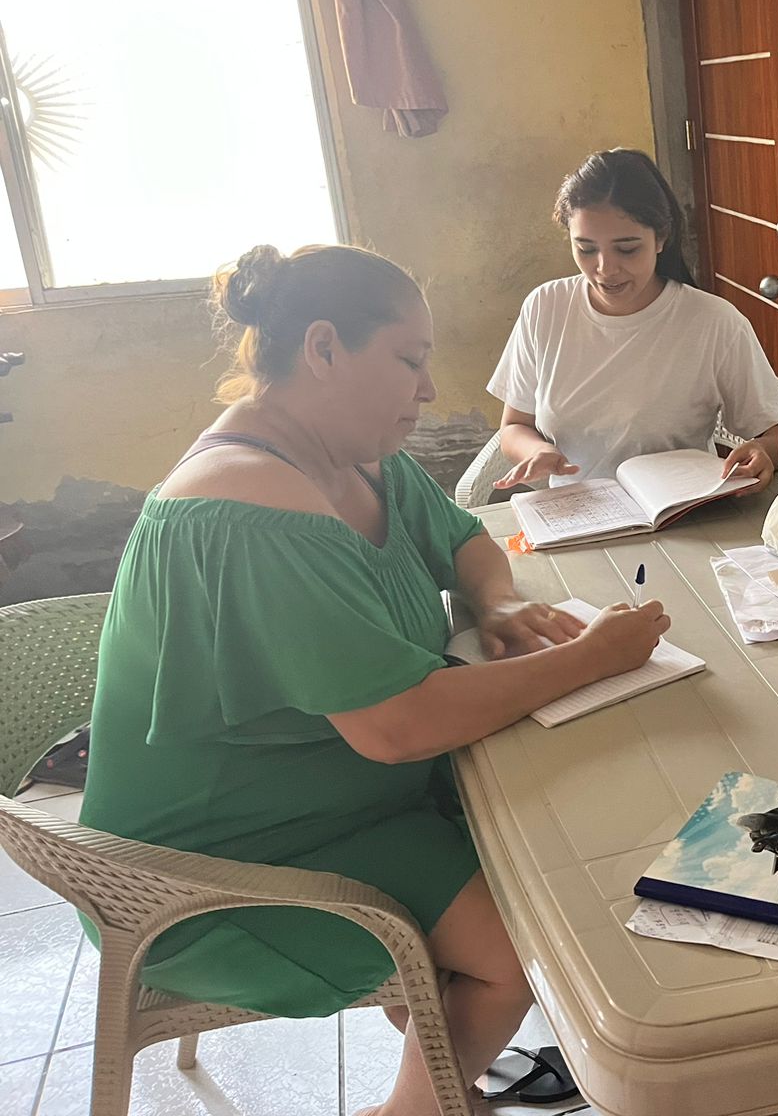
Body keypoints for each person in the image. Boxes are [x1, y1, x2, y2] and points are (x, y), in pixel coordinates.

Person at [78, 244, 671, 1116]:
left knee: (556, 830)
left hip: (331, 800)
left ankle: (440, 1059)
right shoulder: (248, 503)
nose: (428, 389)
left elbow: (463, 536)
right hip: (216, 863)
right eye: (409, 359)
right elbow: (396, 725)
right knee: (528, 943)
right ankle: (415, 1107)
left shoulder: (351, 453)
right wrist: (588, 658)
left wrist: (500, 603)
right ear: (323, 348)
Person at [487, 148, 778, 491]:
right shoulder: (545, 307)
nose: (606, 269)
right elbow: (514, 426)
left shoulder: (713, 322)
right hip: (579, 511)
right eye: (586, 249)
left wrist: (764, 452)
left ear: (661, 238)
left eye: (627, 249)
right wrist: (538, 451)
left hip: (680, 513)